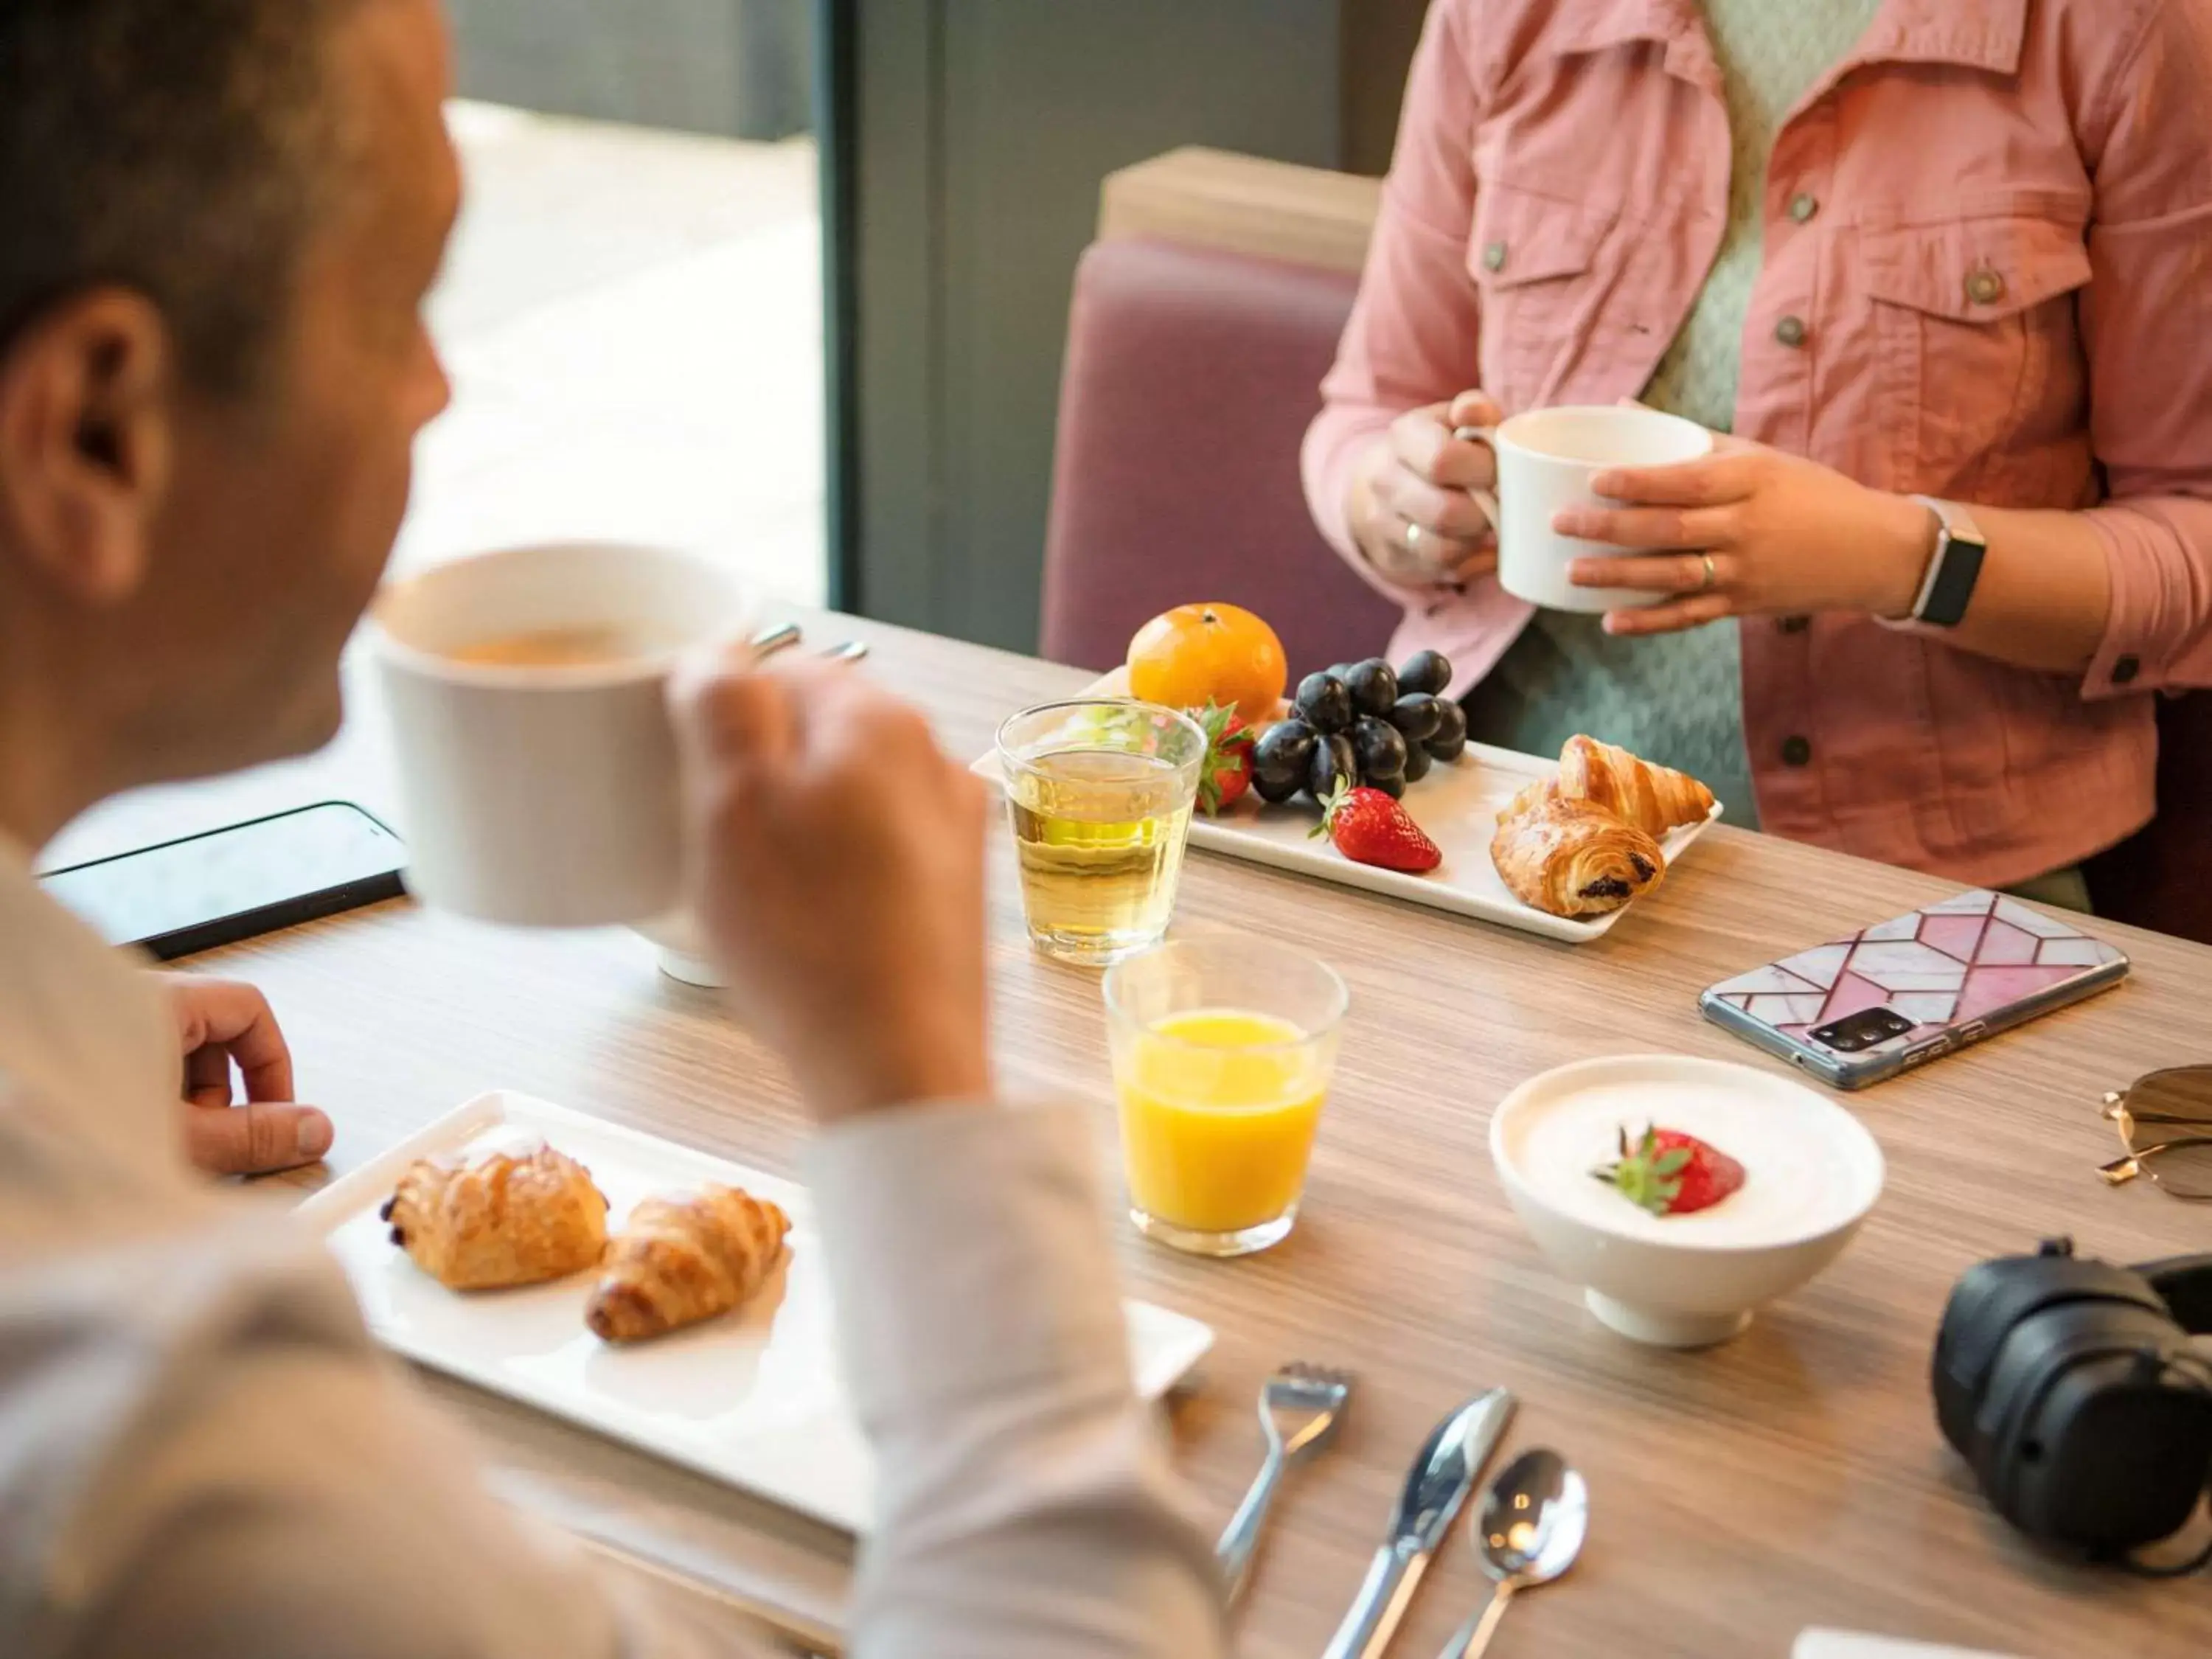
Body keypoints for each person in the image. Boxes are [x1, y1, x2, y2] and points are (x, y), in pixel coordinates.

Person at [0, 4, 1225, 1656]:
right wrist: (917, 1092)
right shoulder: (152, 1437)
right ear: (96, 433)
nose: (439, 390)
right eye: (400, 305)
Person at [1303, 0, 2212, 905]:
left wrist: (1900, 560)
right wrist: (1388, 500)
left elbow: (2192, 532)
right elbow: (1366, 413)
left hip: (1927, 889)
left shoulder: (2128, 30)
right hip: (1493, 822)